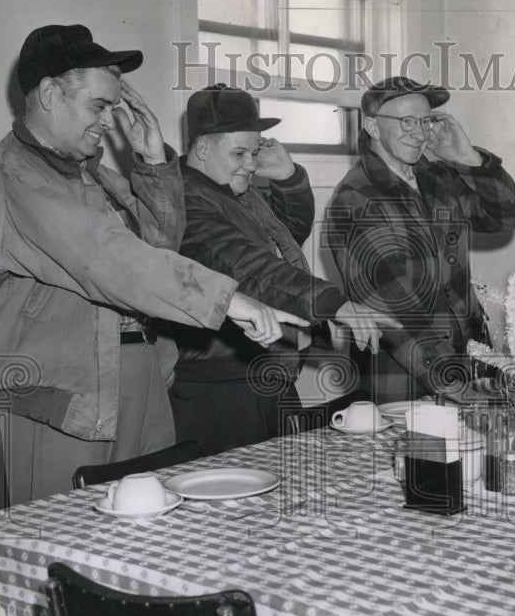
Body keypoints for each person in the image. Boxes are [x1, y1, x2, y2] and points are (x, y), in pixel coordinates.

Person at [0, 24, 307, 504]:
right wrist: (232, 302)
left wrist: (154, 161)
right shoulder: (11, 180)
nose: (107, 121)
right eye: (98, 106)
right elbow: (109, 258)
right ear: (51, 93)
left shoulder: (91, 173)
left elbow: (159, 248)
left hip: (139, 377)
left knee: (154, 535)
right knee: (63, 540)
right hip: (59, 396)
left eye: (112, 108)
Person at [171, 85, 400, 453]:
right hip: (222, 391)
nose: (251, 163)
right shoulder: (185, 200)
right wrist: (334, 304)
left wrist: (288, 177)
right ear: (201, 148)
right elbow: (247, 264)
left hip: (265, 378)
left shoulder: (232, 191)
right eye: (239, 153)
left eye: (255, 150)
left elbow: (286, 239)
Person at [324, 77, 515, 403]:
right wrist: (451, 380)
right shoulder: (356, 196)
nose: (419, 132)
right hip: (405, 377)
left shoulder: (436, 177)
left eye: (425, 120)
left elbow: (505, 215)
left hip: (468, 364)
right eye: (406, 121)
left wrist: (468, 157)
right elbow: (393, 306)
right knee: (417, 456)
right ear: (373, 127)